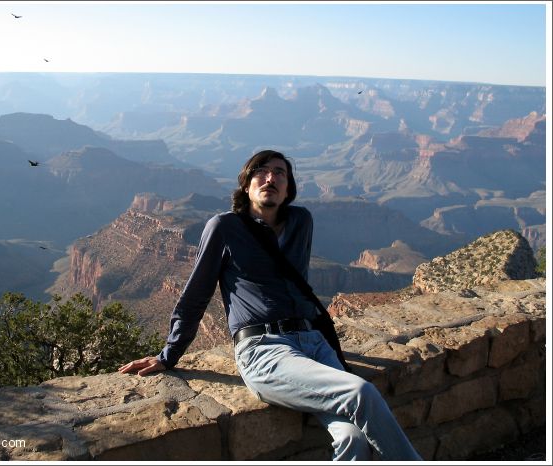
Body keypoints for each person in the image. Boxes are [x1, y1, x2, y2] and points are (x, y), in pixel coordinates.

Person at [119, 150, 422, 461]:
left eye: (280, 173)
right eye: (260, 172)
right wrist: (169, 354)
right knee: (361, 393)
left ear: (288, 188)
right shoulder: (223, 227)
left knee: (353, 437)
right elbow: (196, 295)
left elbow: (295, 283)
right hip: (264, 349)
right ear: (246, 185)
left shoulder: (301, 221)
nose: (270, 178)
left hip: (313, 345)